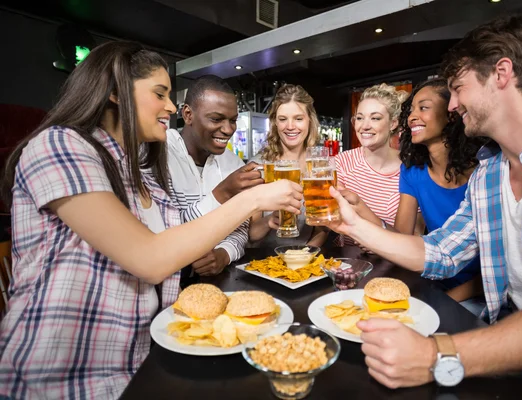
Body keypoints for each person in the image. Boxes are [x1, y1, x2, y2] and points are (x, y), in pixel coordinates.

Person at [0, 41, 302, 399]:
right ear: (115, 93)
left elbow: (178, 238)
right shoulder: (60, 146)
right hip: (61, 379)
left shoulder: (141, 170)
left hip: (139, 364)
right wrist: (249, 198)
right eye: (160, 94)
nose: (170, 107)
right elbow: (151, 260)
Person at [327, 15, 522, 393]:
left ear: (501, 74)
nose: (452, 104)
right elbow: (440, 252)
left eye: (457, 88)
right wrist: (351, 225)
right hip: (509, 352)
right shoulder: (490, 173)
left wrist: (439, 354)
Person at [346, 78, 485, 307]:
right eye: (411, 110)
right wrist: (360, 209)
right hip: (432, 282)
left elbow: (496, 266)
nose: (411, 117)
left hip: (476, 293)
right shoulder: (413, 172)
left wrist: (446, 302)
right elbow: (401, 238)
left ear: (451, 113)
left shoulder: (482, 172)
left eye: (423, 108)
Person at [167, 75, 262, 279]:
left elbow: (241, 228)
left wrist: (224, 254)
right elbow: (166, 235)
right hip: (166, 284)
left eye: (233, 120)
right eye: (216, 119)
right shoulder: (159, 154)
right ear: (188, 114)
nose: (228, 130)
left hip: (219, 283)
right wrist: (222, 193)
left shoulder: (233, 163)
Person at [249, 84, 328, 248]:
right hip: (264, 262)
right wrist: (268, 221)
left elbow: (322, 228)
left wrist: (306, 255)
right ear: (275, 122)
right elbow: (251, 235)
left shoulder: (319, 166)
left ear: (309, 121)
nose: (290, 126)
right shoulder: (259, 166)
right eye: (283, 119)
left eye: (298, 119)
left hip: (304, 259)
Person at [334, 84, 409, 247]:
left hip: (393, 266)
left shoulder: (410, 170)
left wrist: (375, 241)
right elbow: (334, 221)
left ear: (393, 123)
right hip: (347, 264)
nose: (364, 126)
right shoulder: (343, 162)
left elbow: (413, 237)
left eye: (375, 118)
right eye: (360, 118)